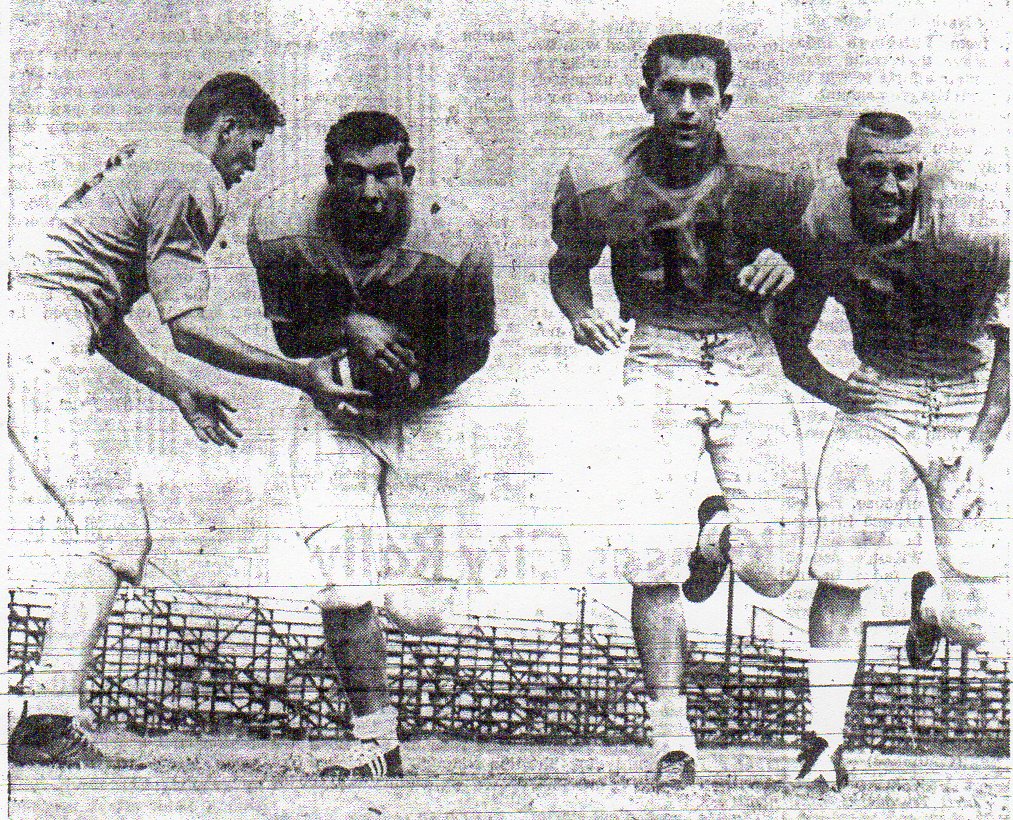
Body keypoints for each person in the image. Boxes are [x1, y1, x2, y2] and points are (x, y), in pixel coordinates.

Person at [7, 73, 367, 767]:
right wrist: (298, 373)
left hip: (31, 321)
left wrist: (178, 392)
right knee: (112, 527)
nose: (251, 163)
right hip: (35, 332)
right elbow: (189, 327)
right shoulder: (194, 177)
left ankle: (48, 718)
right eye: (252, 145)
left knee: (104, 524)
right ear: (226, 127)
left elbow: (96, 312)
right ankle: (47, 722)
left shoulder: (148, 161)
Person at [547, 34, 813, 787]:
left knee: (772, 571)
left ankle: (720, 530)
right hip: (657, 350)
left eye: (701, 91)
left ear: (725, 101)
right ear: (646, 96)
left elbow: (817, 255)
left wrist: (784, 264)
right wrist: (578, 313)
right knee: (647, 552)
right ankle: (672, 734)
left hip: (744, 348)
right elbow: (567, 267)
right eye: (671, 90)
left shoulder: (771, 178)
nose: (686, 105)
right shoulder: (599, 177)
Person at [247, 111, 496, 780]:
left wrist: (412, 382)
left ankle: (399, 606)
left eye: (385, 175)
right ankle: (374, 742)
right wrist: (350, 325)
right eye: (352, 176)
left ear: (407, 175)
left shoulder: (456, 237)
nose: (369, 192)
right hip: (334, 405)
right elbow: (291, 339)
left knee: (421, 610)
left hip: (429, 407)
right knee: (343, 579)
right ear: (329, 176)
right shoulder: (280, 229)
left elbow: (473, 349)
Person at [770, 112, 1009, 789]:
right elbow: (790, 341)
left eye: (902, 171)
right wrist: (841, 396)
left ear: (920, 174)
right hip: (883, 395)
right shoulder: (819, 226)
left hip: (964, 403)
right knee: (840, 568)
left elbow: (1010, 348)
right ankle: (822, 738)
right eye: (871, 170)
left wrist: (980, 442)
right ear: (847, 172)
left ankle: (928, 606)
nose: (887, 185)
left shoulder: (973, 230)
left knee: (975, 623)